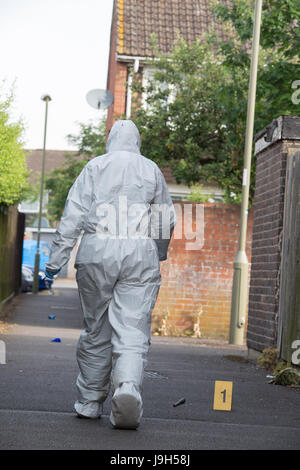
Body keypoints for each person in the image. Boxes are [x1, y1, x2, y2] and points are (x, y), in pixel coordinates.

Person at [45, 120, 175, 429]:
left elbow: (73, 213)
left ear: (111, 140)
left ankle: (90, 401)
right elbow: (165, 217)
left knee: (96, 328)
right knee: (132, 328)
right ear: (137, 142)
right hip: (138, 253)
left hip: (96, 252)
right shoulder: (151, 170)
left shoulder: (94, 167)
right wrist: (157, 251)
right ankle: (127, 387)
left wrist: (55, 261)